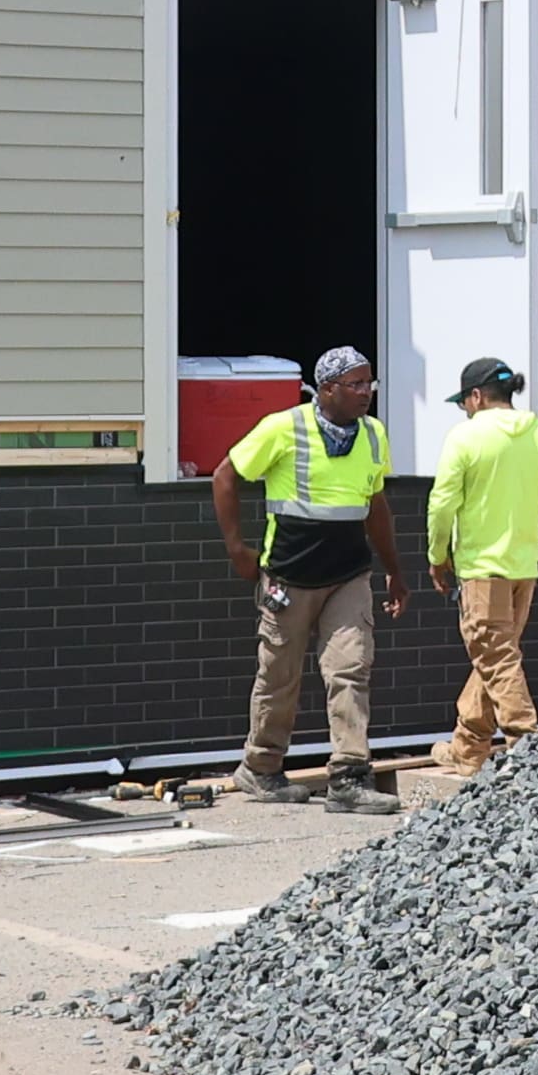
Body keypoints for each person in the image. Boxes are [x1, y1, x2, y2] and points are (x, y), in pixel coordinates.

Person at [212, 344, 410, 806]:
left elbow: (375, 505)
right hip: (289, 575)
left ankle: (348, 778)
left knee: (350, 670)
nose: (366, 393)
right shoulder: (285, 428)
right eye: (356, 384)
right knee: (279, 675)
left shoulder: (374, 434)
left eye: (369, 383)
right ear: (326, 389)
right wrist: (238, 549)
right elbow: (225, 475)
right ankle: (260, 767)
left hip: (348, 575)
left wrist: (395, 571)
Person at [423, 355, 538, 772]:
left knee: (496, 658)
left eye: (464, 402)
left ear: (476, 396)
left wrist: (438, 557)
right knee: (497, 658)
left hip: (480, 569)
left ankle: (527, 746)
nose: (464, 410)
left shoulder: (466, 438)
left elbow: (441, 505)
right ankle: (467, 750)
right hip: (524, 568)